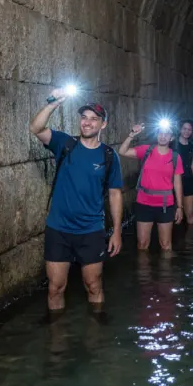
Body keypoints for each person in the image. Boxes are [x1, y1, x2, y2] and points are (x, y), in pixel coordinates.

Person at [30, 91, 123, 320]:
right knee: (56, 287)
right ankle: (57, 339)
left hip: (90, 230)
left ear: (103, 124)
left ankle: (95, 335)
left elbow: (114, 194)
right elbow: (36, 128)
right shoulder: (65, 143)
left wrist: (117, 231)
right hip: (59, 229)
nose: (87, 122)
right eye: (84, 117)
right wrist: (53, 103)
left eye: (93, 118)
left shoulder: (109, 156)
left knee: (93, 285)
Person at [119, 122, 184, 252]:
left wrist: (180, 207)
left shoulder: (175, 157)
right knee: (142, 244)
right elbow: (122, 151)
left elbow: (177, 183)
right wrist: (132, 135)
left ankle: (166, 272)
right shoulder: (146, 150)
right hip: (144, 203)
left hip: (165, 204)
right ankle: (144, 272)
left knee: (165, 245)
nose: (163, 136)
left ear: (171, 138)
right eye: (161, 133)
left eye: (167, 134)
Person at [175, 120, 193, 224]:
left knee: (190, 214)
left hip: (188, 179)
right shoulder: (172, 144)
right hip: (173, 181)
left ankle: (190, 239)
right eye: (184, 128)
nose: (187, 131)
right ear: (180, 129)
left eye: (189, 129)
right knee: (174, 214)